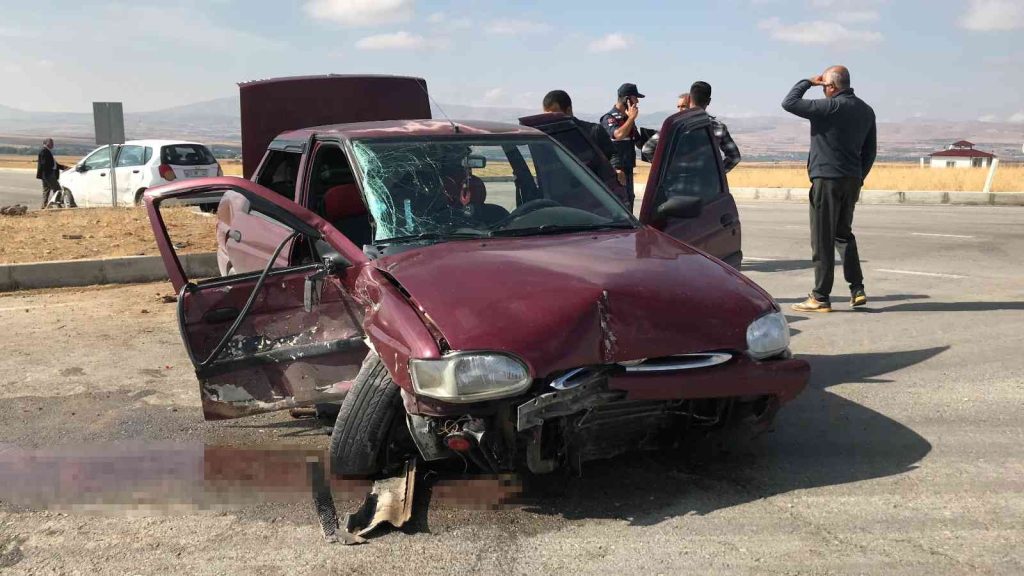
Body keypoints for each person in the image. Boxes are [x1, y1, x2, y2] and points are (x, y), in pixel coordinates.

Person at [782, 65, 876, 313]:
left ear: (831, 86)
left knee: (822, 237)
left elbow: (789, 103)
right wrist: (858, 176)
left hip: (827, 179)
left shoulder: (829, 107)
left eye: (825, 85)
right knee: (844, 234)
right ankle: (857, 289)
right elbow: (870, 151)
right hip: (851, 180)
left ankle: (820, 296)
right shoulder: (866, 110)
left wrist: (808, 82)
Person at [600, 83, 656, 211]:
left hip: (628, 169)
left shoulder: (628, 120)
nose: (637, 102)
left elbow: (638, 142)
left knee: (629, 201)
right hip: (617, 171)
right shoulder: (609, 118)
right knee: (619, 206)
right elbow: (618, 135)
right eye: (635, 98)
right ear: (627, 99)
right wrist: (631, 118)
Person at [542, 89, 615, 163]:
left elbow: (612, 155)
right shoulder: (545, 138)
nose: (550, 119)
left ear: (568, 111)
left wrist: (617, 168)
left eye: (553, 115)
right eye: (547, 116)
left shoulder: (594, 131)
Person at [688, 81, 741, 172]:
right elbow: (735, 157)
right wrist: (716, 174)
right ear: (709, 101)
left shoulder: (676, 125)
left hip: (678, 182)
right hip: (708, 183)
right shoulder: (718, 127)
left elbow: (655, 144)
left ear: (689, 99)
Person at [36, 138, 71, 208]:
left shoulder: (47, 151)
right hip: (48, 175)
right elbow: (44, 164)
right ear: (46, 143)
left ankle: (44, 205)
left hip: (46, 175)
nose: (52, 144)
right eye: (51, 143)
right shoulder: (44, 151)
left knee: (46, 190)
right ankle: (57, 204)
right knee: (57, 189)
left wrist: (63, 167)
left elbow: (54, 164)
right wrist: (47, 175)